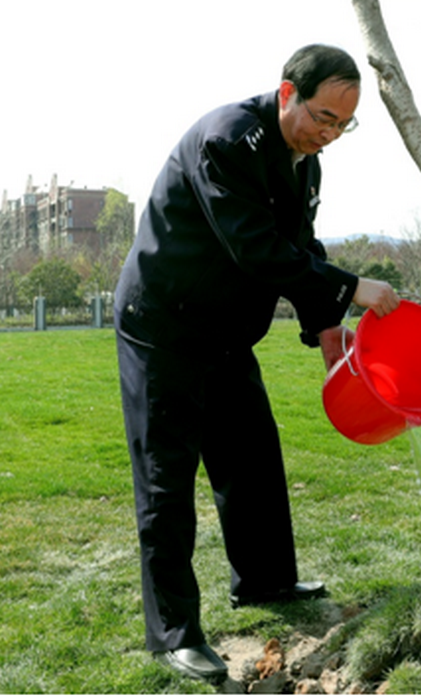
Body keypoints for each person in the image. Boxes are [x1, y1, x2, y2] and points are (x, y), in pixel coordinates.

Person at [113, 44, 399, 684]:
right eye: (323, 117)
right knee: (166, 477)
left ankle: (266, 582)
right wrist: (352, 288)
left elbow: (300, 246)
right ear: (287, 93)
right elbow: (255, 247)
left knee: (252, 457)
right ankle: (174, 634)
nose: (329, 134)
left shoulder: (306, 165)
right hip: (163, 324)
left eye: (343, 125)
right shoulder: (227, 140)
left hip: (224, 332)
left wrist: (327, 325)